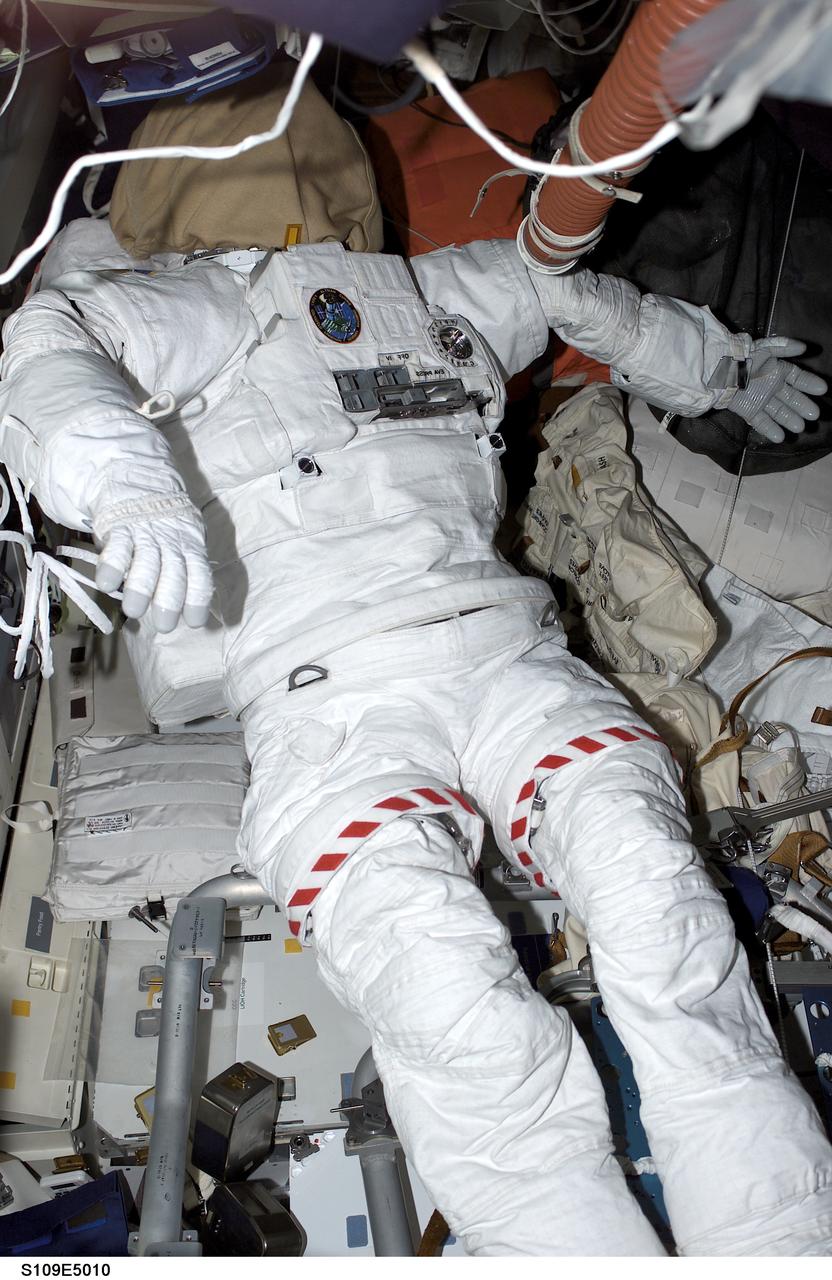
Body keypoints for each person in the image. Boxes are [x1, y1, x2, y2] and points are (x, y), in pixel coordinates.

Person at [1, 201, 831, 1254]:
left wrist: (717, 370)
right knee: (450, 1002)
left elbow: (563, 287)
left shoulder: (439, 291)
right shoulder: (204, 305)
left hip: (510, 661)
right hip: (331, 704)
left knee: (661, 904)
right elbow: (53, 336)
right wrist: (122, 475)